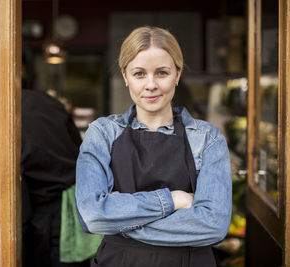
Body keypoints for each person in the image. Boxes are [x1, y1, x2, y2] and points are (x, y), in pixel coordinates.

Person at [75, 26, 232, 267]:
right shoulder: (102, 133)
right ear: (125, 76)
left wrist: (122, 221)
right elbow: (93, 216)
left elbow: (213, 226)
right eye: (139, 73)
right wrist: (173, 200)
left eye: (162, 73)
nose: (151, 85)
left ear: (177, 75)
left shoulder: (207, 138)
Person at [21, 89, 90, 267]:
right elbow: (78, 147)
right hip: (74, 199)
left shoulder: (6, 108)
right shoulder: (47, 101)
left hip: (47, 210)